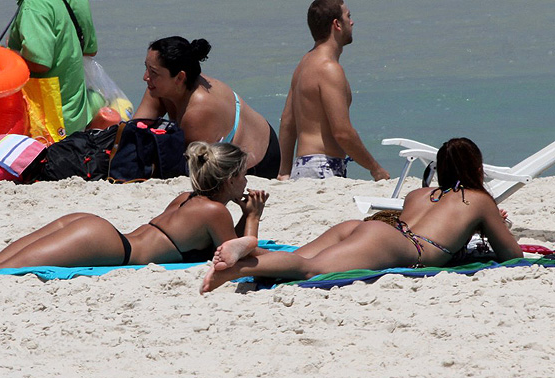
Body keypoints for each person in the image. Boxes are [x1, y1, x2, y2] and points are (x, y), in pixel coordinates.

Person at [0, 142, 268, 289]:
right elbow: (236, 258)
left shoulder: (188, 197)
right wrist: (252, 215)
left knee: (0, 263)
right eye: (244, 174)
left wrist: (241, 211)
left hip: (94, 227)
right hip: (110, 247)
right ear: (230, 177)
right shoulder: (216, 211)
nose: (247, 181)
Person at [201, 138, 523, 293]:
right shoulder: (479, 200)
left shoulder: (419, 193)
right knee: (311, 269)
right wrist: (494, 223)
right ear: (475, 169)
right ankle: (232, 269)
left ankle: (251, 251)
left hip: (372, 227)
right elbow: (512, 254)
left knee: (296, 258)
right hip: (397, 244)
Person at [133, 36, 281, 179]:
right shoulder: (159, 86)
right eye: (146, 68)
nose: (145, 77)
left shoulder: (198, 111)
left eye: (153, 72)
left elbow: (196, 171)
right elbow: (135, 131)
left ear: (179, 77)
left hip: (258, 159)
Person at [277, 0, 389, 181]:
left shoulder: (304, 64)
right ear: (337, 24)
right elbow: (342, 132)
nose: (352, 22)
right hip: (322, 165)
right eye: (348, 16)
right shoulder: (329, 68)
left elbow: (287, 122)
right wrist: (375, 168)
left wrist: (284, 171)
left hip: (303, 165)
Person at [0, 0, 99, 135]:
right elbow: (89, 50)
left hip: (49, 123)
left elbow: (39, 64)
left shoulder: (33, 7)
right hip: (74, 113)